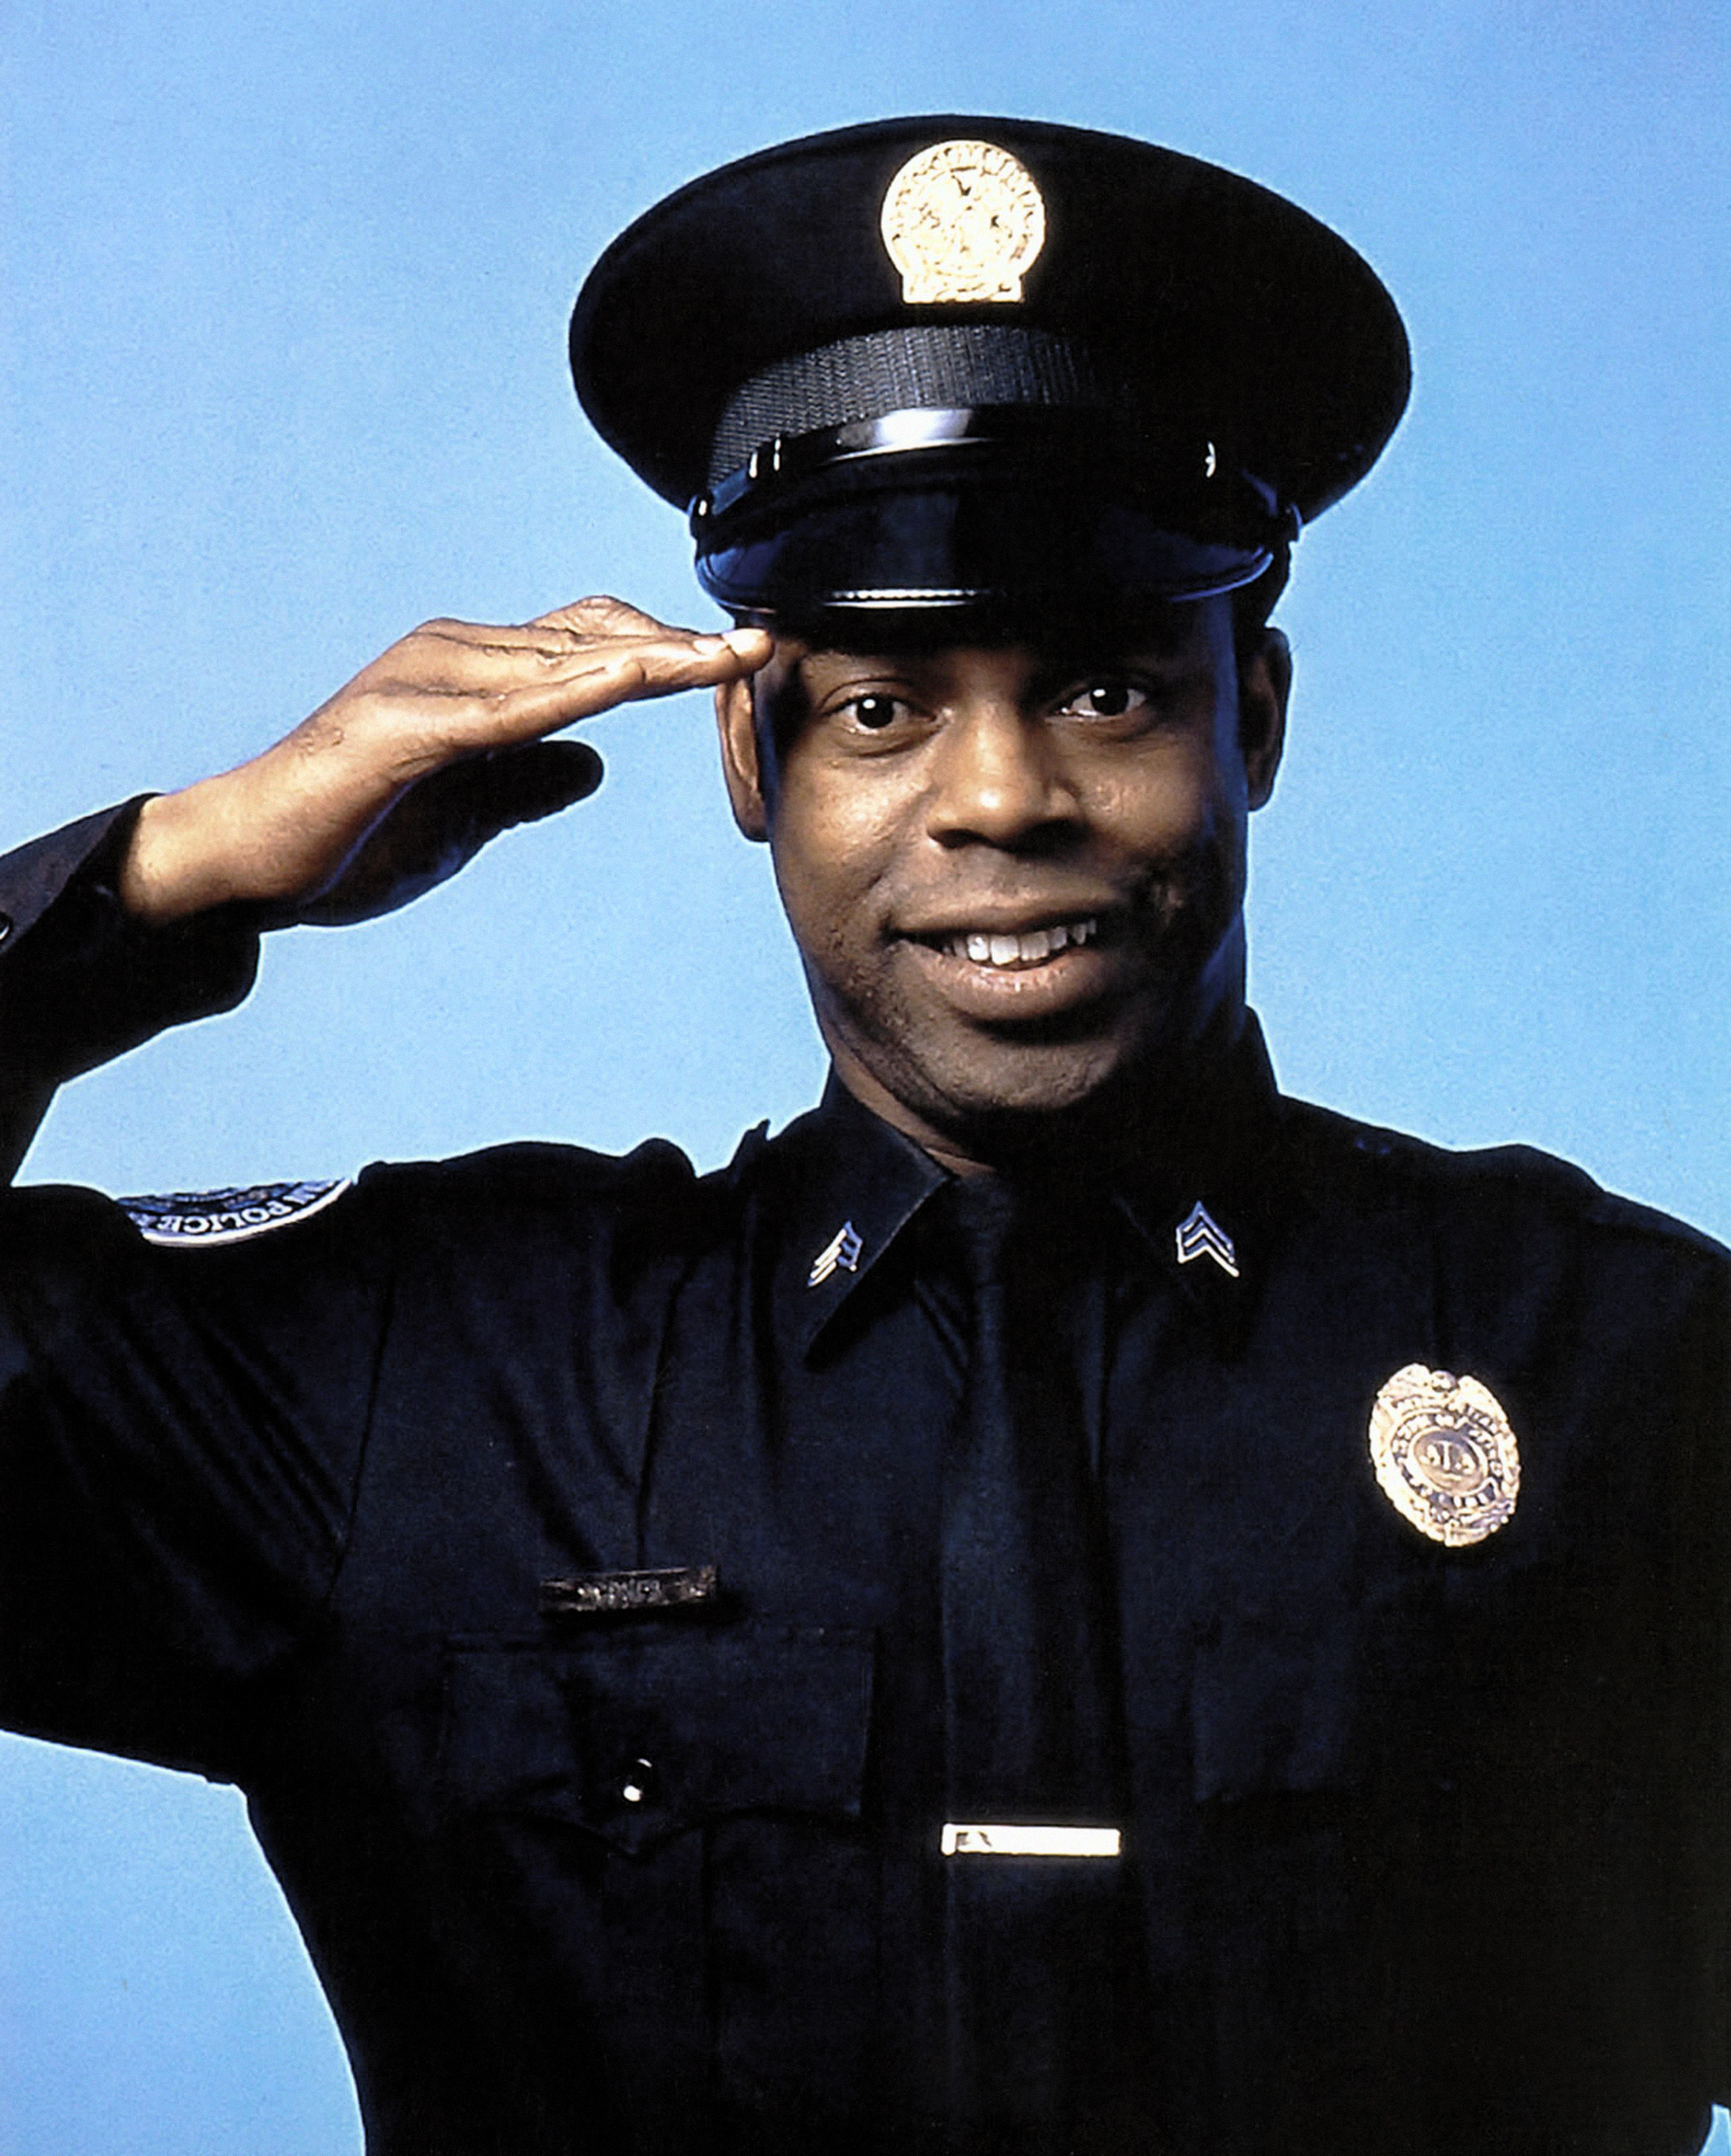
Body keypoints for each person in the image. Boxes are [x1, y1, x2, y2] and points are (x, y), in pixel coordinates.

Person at [0, 114, 1725, 2156]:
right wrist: (166, 882)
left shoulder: (1620, 1366)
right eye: (881, 708)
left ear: (1254, 717)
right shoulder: (415, 1382)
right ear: (748, 751)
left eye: (1104, 691)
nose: (1001, 800)